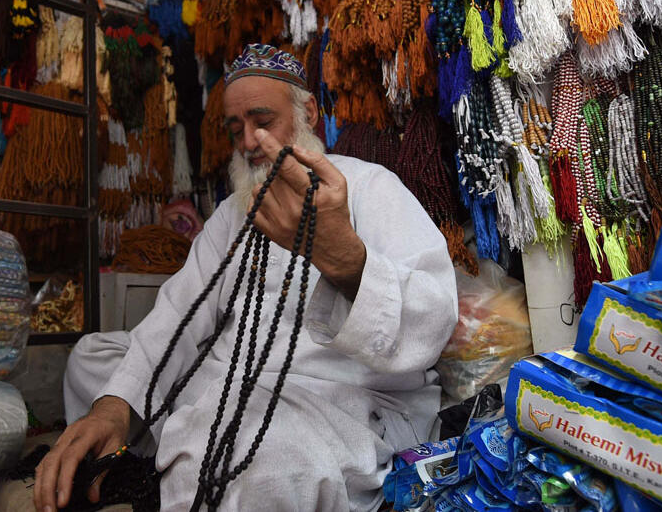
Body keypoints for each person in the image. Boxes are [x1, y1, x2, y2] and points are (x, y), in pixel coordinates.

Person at [36, 44, 458, 511]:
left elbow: (433, 317)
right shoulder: (231, 213)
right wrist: (114, 405)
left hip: (337, 397)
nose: (249, 141)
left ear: (308, 114)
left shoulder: (367, 186)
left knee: (261, 458)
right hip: (229, 380)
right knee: (94, 360)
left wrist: (347, 261)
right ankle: (137, 444)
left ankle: (169, 457)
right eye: (235, 128)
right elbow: (179, 313)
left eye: (263, 120)